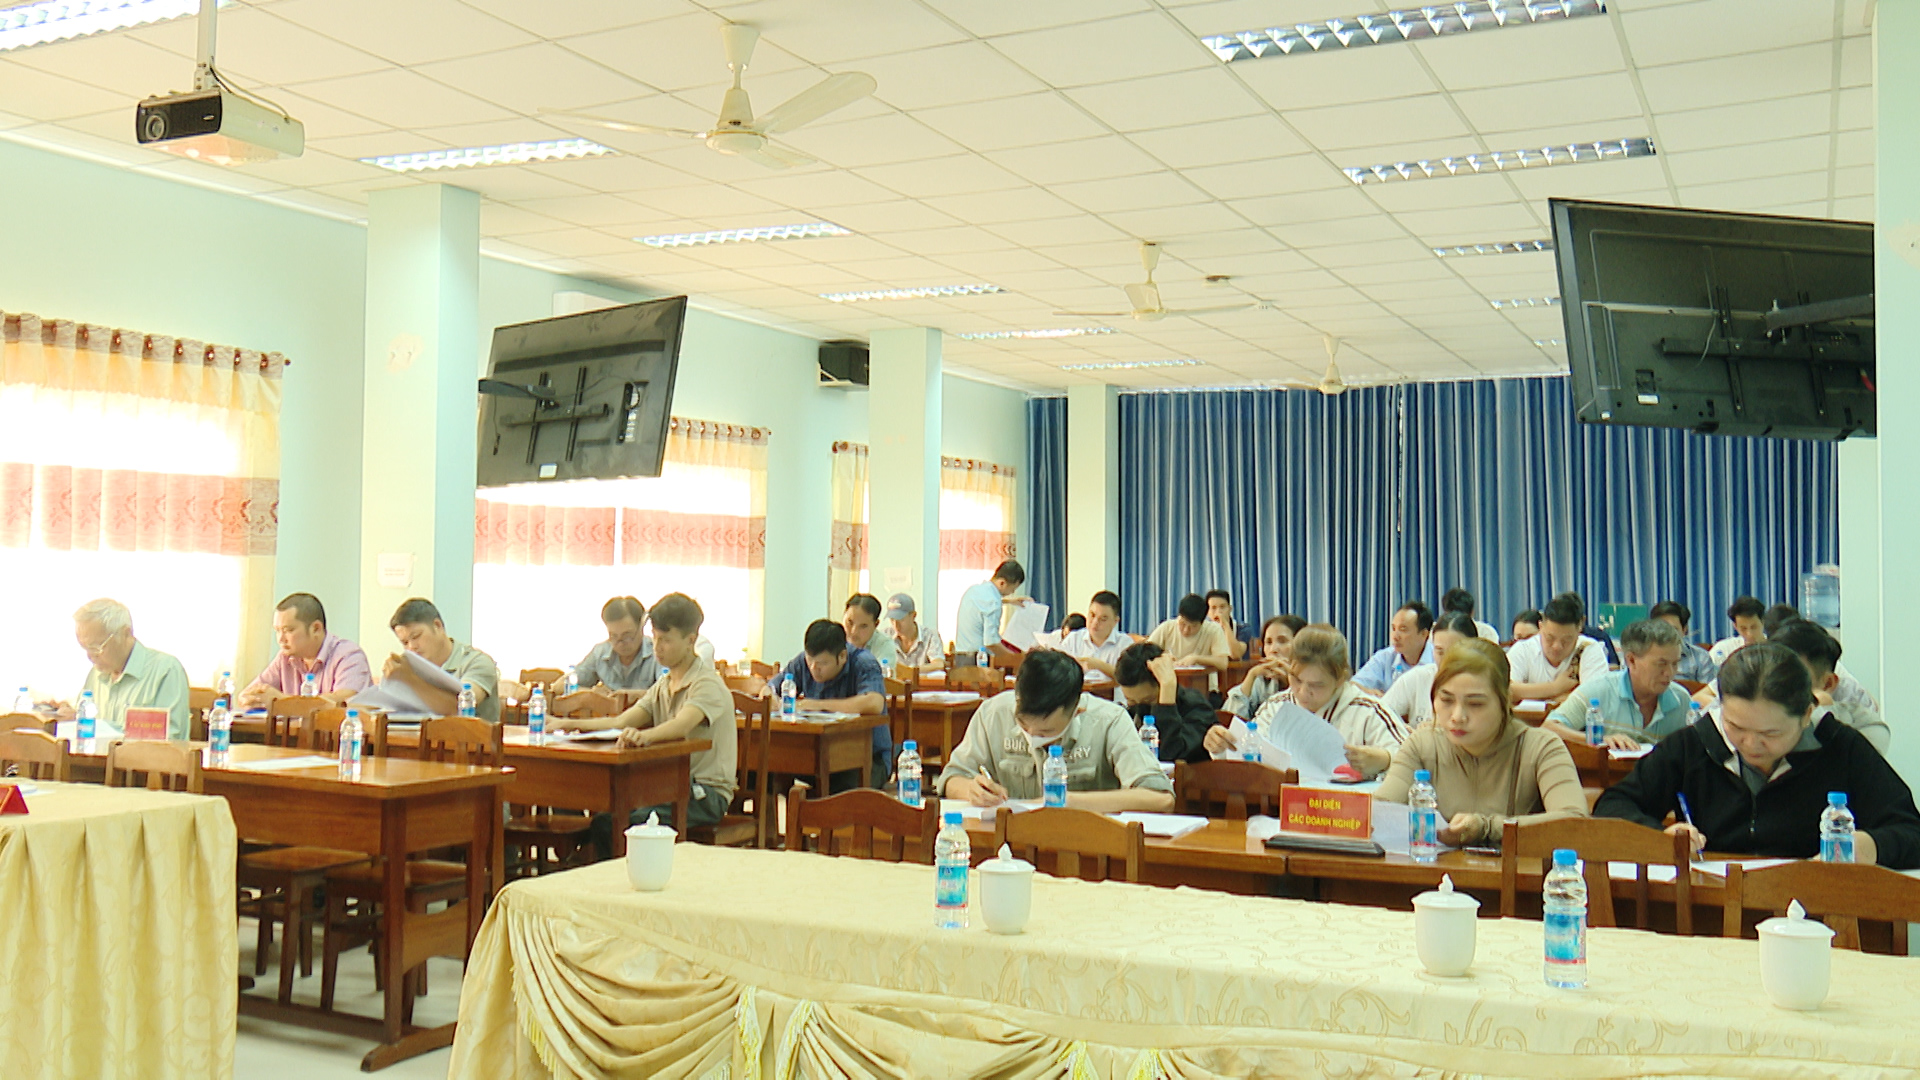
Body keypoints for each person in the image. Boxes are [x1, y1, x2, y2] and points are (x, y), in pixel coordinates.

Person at [1595, 643, 1920, 869]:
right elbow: (1614, 806)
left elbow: (1910, 832)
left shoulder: (1841, 747)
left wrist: (1869, 846)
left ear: (1806, 715)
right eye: (1736, 726)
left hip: (1816, 910)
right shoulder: (1695, 744)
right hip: (1712, 906)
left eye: (1771, 734)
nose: (1751, 744)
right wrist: (1661, 836)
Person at [561, 594, 739, 855]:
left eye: (666, 640)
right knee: (605, 812)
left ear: (691, 640)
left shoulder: (706, 683)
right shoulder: (664, 684)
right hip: (668, 785)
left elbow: (681, 725)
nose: (657, 647)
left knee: (614, 824)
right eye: (655, 637)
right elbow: (621, 721)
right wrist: (563, 723)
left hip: (705, 794)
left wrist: (645, 737)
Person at [1377, 639, 1587, 846]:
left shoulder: (1541, 747)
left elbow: (1575, 823)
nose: (1457, 717)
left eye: (1475, 704)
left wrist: (1487, 828)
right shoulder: (1422, 745)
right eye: (1447, 700)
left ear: (1505, 701)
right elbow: (1379, 813)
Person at [935, 649, 1174, 812]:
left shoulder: (1108, 720)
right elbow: (951, 778)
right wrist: (971, 790)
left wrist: (1070, 803)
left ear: (1077, 710)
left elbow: (1160, 798)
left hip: (1086, 850)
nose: (1032, 735)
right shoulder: (993, 713)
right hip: (1008, 848)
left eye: (1045, 731)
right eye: (1023, 724)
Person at [1206, 626, 1407, 777]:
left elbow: (1412, 763)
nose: (1303, 692)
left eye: (1316, 685)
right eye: (1296, 679)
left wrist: (1385, 759)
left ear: (1340, 679)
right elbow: (1249, 759)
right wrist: (1221, 747)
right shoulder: (1276, 707)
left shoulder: (1369, 712)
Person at [1543, 618, 1692, 749]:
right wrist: (1599, 740)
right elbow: (1548, 728)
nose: (1669, 673)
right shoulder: (1599, 690)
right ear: (1631, 660)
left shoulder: (1682, 700)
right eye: (1661, 664)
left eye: (1675, 664)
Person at [56, 598, 191, 739]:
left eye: (96, 647)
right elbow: (86, 726)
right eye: (85, 648)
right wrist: (73, 719)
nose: (90, 656)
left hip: (142, 754)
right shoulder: (96, 675)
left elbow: (169, 740)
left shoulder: (165, 670)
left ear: (125, 634)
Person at [777, 619, 888, 784]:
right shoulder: (803, 661)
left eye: (822, 663)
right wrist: (774, 701)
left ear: (842, 656)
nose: (814, 668)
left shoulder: (863, 662)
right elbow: (770, 689)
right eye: (810, 661)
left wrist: (817, 706)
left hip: (868, 759)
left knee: (840, 787)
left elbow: (874, 703)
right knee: (768, 770)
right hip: (818, 754)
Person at [1768, 620, 1890, 753]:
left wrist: (1822, 718)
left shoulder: (1864, 725)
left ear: (1828, 684)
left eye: (1793, 678)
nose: (1779, 687)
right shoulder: (1755, 717)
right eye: (1772, 675)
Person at [237, 592, 372, 707]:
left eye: (288, 630)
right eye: (277, 631)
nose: (280, 639)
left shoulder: (349, 655)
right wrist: (253, 698)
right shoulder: (284, 658)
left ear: (316, 629)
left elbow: (343, 702)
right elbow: (246, 696)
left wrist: (281, 702)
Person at [385, 598, 501, 721]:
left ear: (437, 626)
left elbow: (457, 708)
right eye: (405, 643)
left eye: (416, 636)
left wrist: (411, 680)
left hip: (468, 733)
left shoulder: (477, 662)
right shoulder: (410, 668)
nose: (412, 647)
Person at [1113, 642, 1213, 764]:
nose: (1139, 707)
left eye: (1149, 700)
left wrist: (1167, 691)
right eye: (1130, 700)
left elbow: (1168, 755)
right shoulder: (1131, 710)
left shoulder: (1196, 708)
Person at [1505, 592, 1607, 703]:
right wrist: (1555, 688)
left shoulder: (1588, 649)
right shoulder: (1523, 649)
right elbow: (1506, 691)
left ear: (1579, 629)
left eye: (1566, 640)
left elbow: (1593, 697)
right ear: (1540, 626)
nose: (1556, 647)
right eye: (1550, 638)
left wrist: (1528, 693)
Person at [1378, 611, 1477, 726]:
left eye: (1455, 652)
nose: (1447, 660)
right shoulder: (1418, 678)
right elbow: (1378, 717)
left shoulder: (1485, 684)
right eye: (1440, 652)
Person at [1225, 614, 1306, 719]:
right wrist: (1251, 676)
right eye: (1268, 642)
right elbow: (1230, 720)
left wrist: (1292, 681)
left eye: (1282, 641)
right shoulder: (1262, 680)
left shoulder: (1312, 680)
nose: (1273, 649)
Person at [573, 596, 660, 693]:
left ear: (641, 627)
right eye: (613, 636)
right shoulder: (600, 652)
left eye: (627, 636)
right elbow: (565, 684)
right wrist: (592, 693)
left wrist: (631, 695)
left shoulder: (658, 652)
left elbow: (667, 693)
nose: (620, 643)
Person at [954, 559, 1027, 665]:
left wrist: (1010, 601)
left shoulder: (974, 590)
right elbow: (991, 643)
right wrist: (1015, 658)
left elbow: (984, 606)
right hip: (978, 661)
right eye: (1013, 589)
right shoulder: (994, 602)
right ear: (1002, 583)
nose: (1012, 592)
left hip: (960, 658)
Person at [1353, 599, 1436, 693]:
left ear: (1424, 634)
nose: (1395, 637)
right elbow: (1352, 686)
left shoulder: (1438, 659)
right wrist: (1369, 692)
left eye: (1403, 629)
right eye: (1393, 628)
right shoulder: (1385, 657)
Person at [1146, 593, 1230, 672]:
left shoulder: (1213, 630)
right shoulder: (1167, 627)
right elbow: (1145, 652)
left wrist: (1196, 659)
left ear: (1202, 623)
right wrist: (1162, 657)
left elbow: (1223, 663)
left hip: (1201, 681)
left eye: (1193, 626)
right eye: (1182, 624)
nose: (1186, 630)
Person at [1054, 590, 1130, 677]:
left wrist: (1098, 665)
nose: (1095, 622)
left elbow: (1127, 678)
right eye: (1092, 615)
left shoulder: (1124, 644)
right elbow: (1057, 668)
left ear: (1115, 621)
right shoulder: (1073, 639)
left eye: (1103, 619)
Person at [1649, 600, 1719, 684]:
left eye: (1673, 629)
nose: (1666, 634)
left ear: (1684, 630)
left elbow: (1707, 690)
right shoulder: (1642, 656)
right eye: (1661, 628)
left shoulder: (1701, 657)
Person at [881, 593, 944, 671]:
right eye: (892, 619)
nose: (896, 625)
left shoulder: (930, 635)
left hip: (921, 679)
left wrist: (910, 672)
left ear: (913, 615)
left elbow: (938, 664)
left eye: (901, 619)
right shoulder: (884, 636)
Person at [1709, 595, 1766, 666]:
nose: (1749, 634)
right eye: (1743, 628)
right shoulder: (1724, 650)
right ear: (1735, 626)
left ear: (1763, 622)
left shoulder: (1776, 649)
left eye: (1754, 627)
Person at [843, 593, 896, 668]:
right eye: (850, 622)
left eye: (863, 626)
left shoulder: (884, 645)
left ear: (876, 625)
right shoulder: (833, 638)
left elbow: (882, 672)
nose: (853, 631)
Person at [1205, 589, 1258, 661]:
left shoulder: (1242, 628)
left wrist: (1225, 625)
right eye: (1213, 608)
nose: (1218, 612)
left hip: (1238, 668)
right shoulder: (1204, 630)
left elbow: (1235, 654)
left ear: (1230, 609)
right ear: (1207, 612)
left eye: (1222, 607)